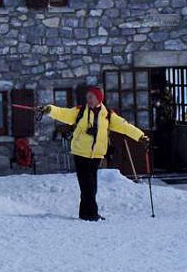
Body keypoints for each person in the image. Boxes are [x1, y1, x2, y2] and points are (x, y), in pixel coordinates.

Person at [39, 85, 149, 221]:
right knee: (88, 186)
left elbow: (125, 126)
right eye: (88, 96)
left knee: (90, 187)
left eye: (91, 97)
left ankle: (85, 214)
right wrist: (49, 109)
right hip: (80, 153)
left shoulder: (108, 115)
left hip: (96, 156)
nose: (88, 99)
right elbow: (63, 113)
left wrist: (141, 137)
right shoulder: (80, 111)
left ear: (99, 98)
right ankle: (91, 215)